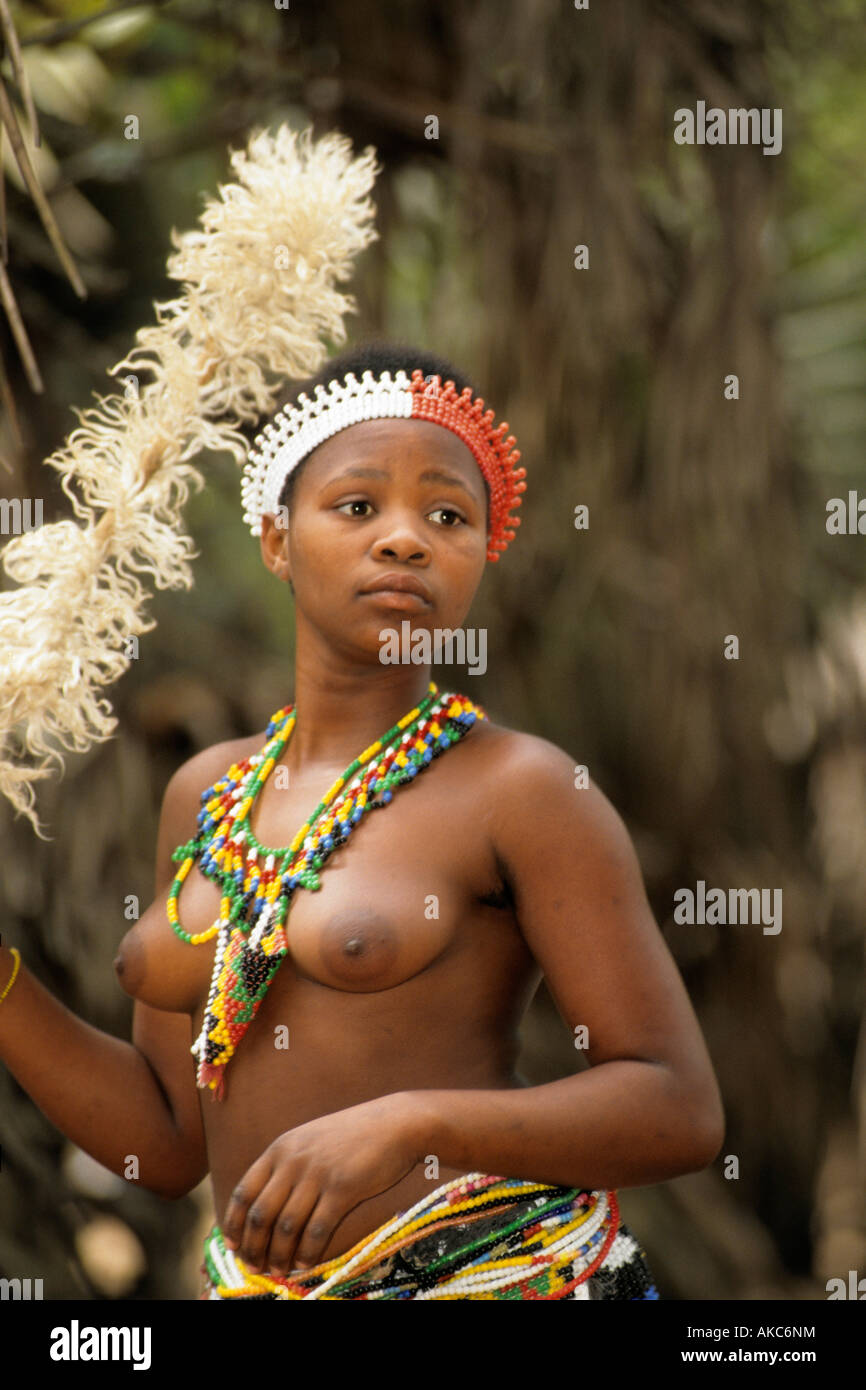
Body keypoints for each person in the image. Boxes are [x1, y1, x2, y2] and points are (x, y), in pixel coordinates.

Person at [0, 338, 724, 1300]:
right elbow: (169, 1147)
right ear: (275, 538)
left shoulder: (523, 790)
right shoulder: (208, 795)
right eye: (356, 505)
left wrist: (415, 1124)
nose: (405, 538)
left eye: (449, 515)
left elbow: (678, 1109)